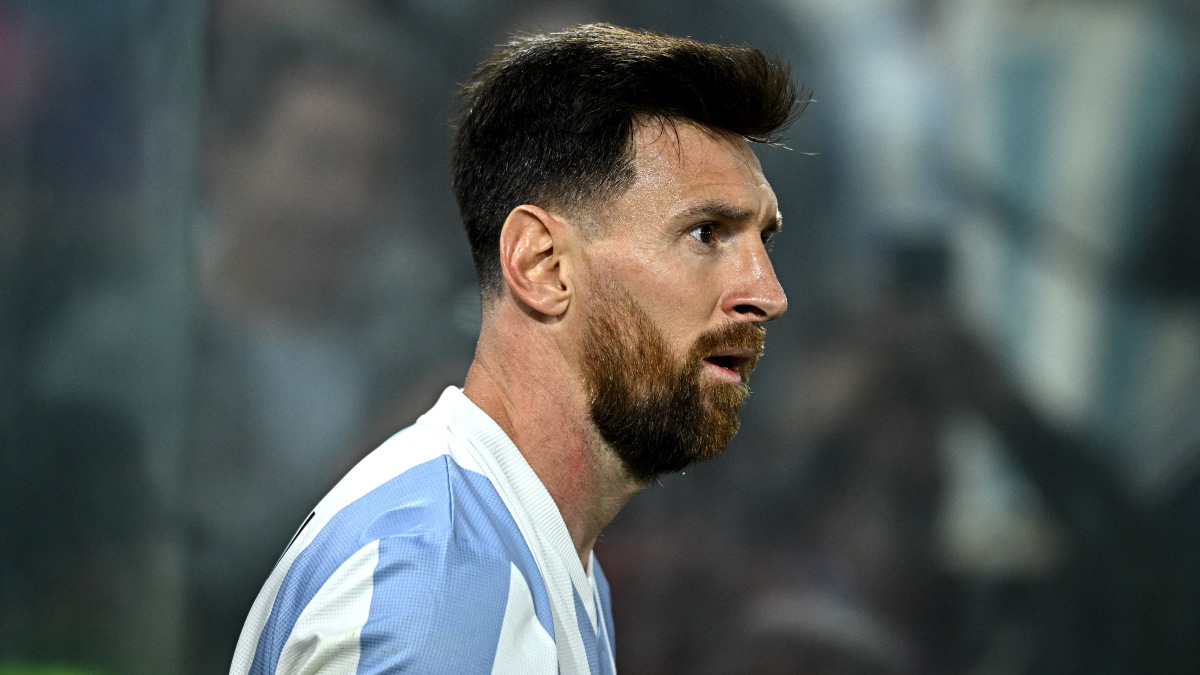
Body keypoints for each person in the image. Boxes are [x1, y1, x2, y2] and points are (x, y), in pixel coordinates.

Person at [231, 23, 807, 674]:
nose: (768, 293)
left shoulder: (521, 549)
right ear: (542, 264)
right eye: (706, 233)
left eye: (763, 240)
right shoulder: (443, 587)